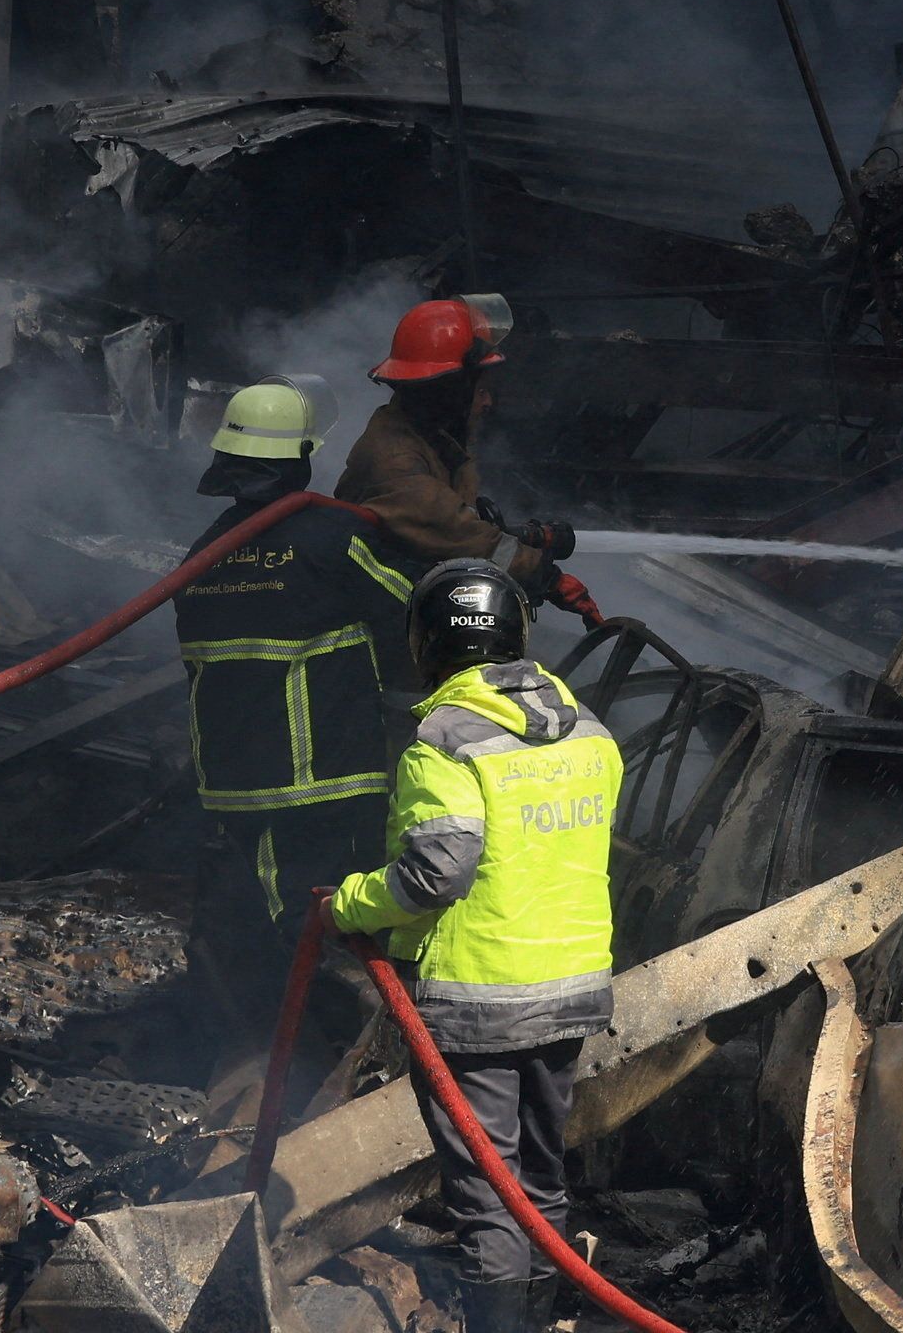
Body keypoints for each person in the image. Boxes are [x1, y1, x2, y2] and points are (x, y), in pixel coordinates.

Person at [330, 561, 623, 1333]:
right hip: (571, 990)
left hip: (478, 1002)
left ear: (425, 643)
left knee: (488, 1195)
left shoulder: (445, 741)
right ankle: (540, 1318)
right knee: (541, 1179)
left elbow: (437, 872)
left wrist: (349, 903)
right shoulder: (589, 731)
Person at [172, 383, 415, 1040]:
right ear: (302, 456)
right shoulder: (334, 537)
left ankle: (268, 1046)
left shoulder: (203, 554)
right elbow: (415, 612)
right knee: (343, 925)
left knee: (273, 925)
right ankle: (336, 1050)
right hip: (323, 778)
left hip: (235, 786)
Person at [332, 299, 579, 600]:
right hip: (384, 611)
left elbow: (461, 520)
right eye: (481, 391)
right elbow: (458, 534)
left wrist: (528, 536)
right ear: (449, 393)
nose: (488, 402)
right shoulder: (396, 461)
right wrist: (548, 578)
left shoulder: (432, 439)